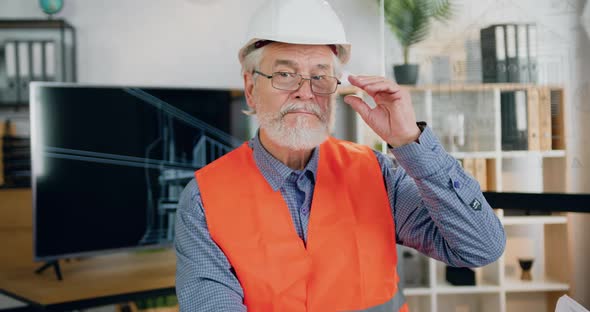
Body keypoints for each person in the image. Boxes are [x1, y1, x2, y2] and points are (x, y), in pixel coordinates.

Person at [175, 0, 506, 311]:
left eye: (319, 76)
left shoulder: (375, 173)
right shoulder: (205, 200)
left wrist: (409, 140)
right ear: (250, 87)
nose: (305, 91)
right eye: (285, 74)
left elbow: (481, 247)